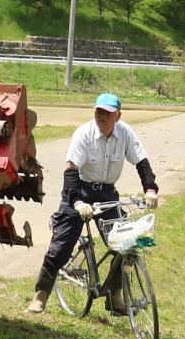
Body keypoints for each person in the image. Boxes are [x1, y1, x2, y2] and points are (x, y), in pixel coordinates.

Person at [26, 92, 159, 313]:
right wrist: (77, 202)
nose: (101, 116)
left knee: (125, 243)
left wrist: (151, 189)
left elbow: (142, 163)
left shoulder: (125, 133)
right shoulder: (83, 134)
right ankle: (41, 295)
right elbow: (71, 172)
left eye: (107, 113)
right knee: (62, 245)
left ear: (118, 115)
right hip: (79, 191)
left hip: (107, 194)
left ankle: (114, 296)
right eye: (98, 111)